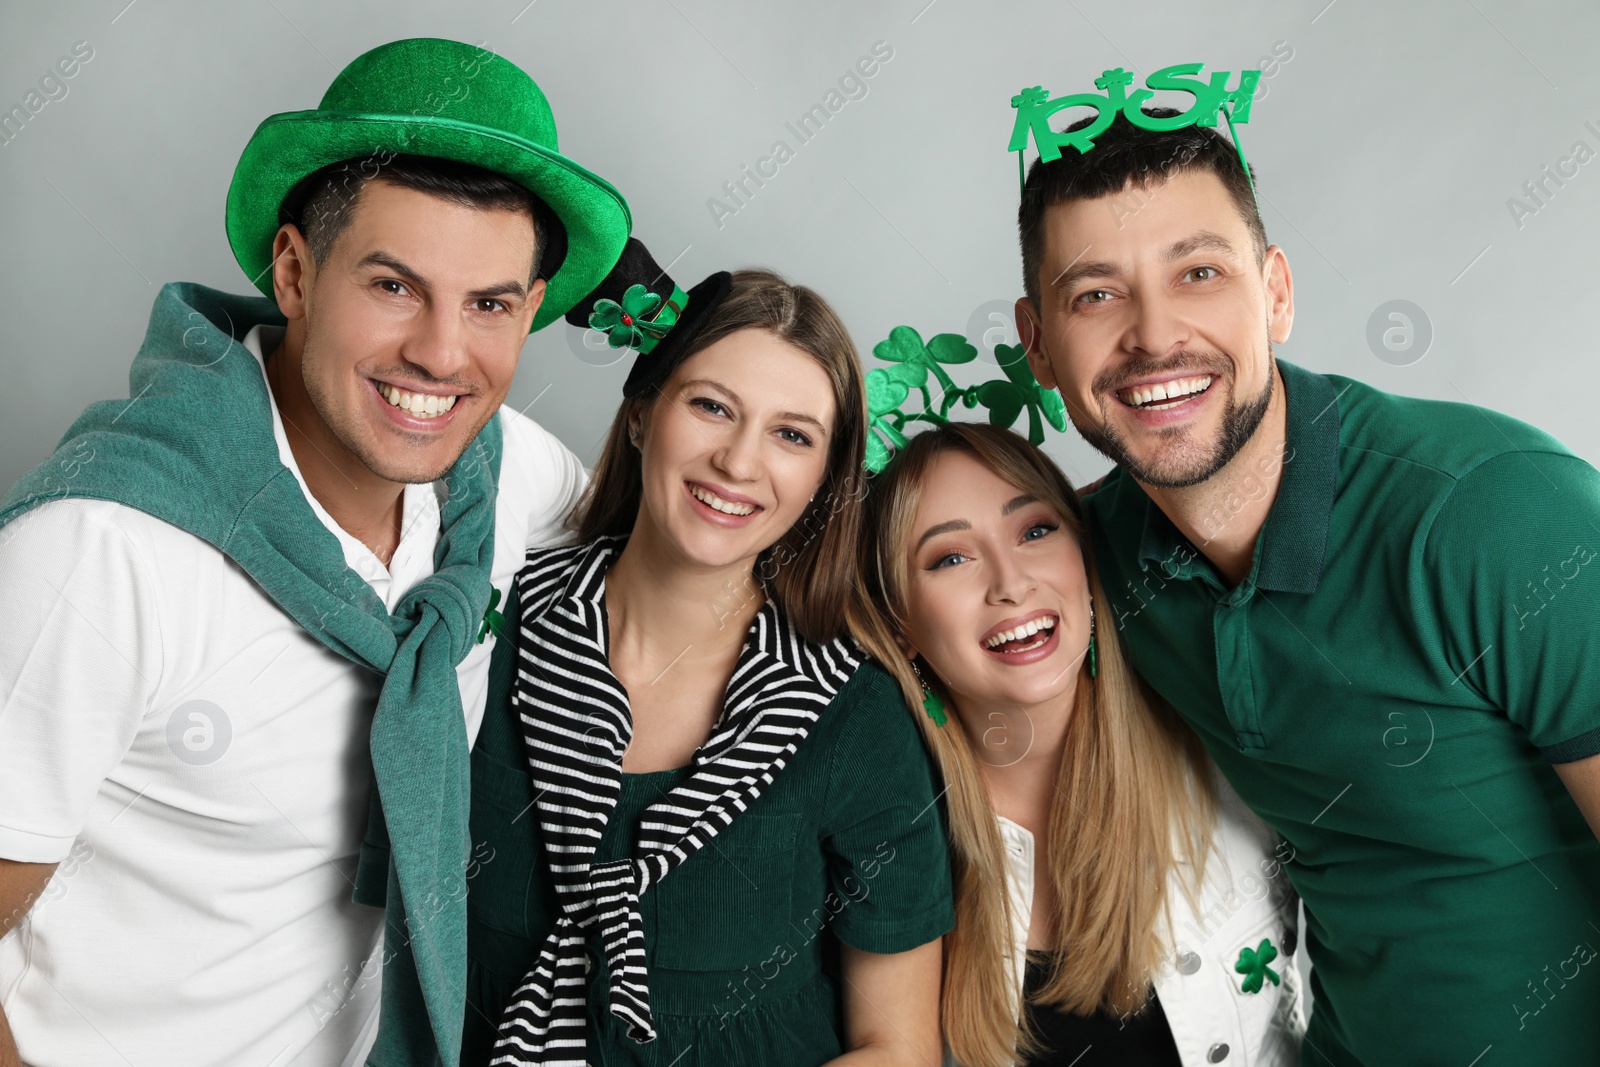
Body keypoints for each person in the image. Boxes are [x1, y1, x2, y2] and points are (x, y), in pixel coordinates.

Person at [0, 37, 633, 1067]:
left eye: (491, 304)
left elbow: (711, 521)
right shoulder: (101, 550)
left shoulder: (501, 476)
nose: (440, 352)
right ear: (294, 270)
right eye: (393, 285)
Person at [1007, 76, 1600, 1064]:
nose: (1153, 335)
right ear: (1037, 342)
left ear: (1275, 292)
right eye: (1096, 293)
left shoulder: (1496, 513)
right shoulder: (1085, 566)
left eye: (1198, 273)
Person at [457, 244, 955, 1066]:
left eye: (791, 435)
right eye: (713, 407)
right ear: (645, 410)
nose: (738, 461)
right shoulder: (493, 627)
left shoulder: (852, 714)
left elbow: (897, 1047)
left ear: (825, 478)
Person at [856, 421, 1302, 1067]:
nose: (1010, 581)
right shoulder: (884, 835)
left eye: (1036, 530)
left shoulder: (1232, 746)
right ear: (898, 623)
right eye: (950, 557)